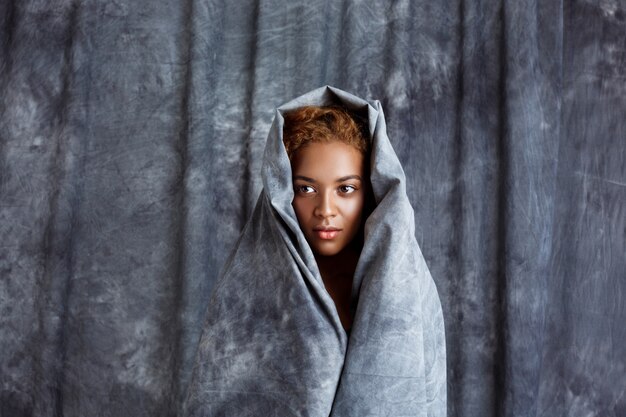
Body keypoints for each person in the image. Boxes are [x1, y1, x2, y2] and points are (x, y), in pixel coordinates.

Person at [183, 86, 446, 417]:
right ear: (283, 193)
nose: (325, 209)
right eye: (305, 189)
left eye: (345, 189)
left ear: (372, 191)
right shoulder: (249, 291)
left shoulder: (408, 285)